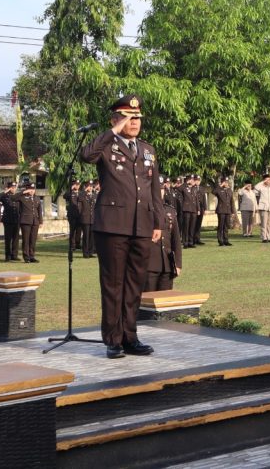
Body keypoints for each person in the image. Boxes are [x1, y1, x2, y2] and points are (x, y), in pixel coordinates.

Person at [80, 94, 164, 359]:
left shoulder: (148, 150)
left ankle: (130, 336)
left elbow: (155, 190)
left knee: (135, 284)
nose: (135, 122)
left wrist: (158, 221)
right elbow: (86, 155)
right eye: (129, 117)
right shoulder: (106, 146)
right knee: (113, 284)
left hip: (142, 225)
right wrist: (112, 132)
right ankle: (113, 339)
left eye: (137, 117)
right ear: (115, 120)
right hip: (113, 226)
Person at [145, 180, 181, 291]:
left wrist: (178, 264)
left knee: (166, 300)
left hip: (167, 264)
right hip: (150, 264)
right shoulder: (144, 210)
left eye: (161, 189)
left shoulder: (170, 211)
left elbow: (176, 240)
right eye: (156, 189)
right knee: (148, 300)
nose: (159, 192)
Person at [15, 182, 42, 263]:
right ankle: (26, 257)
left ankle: (32, 256)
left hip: (35, 222)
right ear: (27, 190)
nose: (32, 191)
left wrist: (40, 221)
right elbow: (13, 198)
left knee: (33, 240)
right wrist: (23, 192)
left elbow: (39, 210)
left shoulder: (37, 198)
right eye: (30, 189)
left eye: (33, 189)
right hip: (25, 221)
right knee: (26, 240)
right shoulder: (22, 197)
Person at [0, 182, 21, 262]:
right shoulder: (5, 196)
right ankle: (7, 256)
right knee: (8, 239)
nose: (13, 189)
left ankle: (14, 255)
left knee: (16, 238)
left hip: (17, 219)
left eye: (14, 187)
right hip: (8, 220)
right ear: (8, 188)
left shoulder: (18, 196)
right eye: (12, 187)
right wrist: (5, 191)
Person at [212, 177, 234, 246]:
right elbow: (213, 192)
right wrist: (220, 186)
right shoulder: (219, 190)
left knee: (226, 226)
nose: (226, 183)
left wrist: (232, 211)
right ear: (222, 182)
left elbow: (231, 201)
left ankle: (226, 240)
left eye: (227, 182)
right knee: (221, 226)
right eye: (225, 182)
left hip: (228, 210)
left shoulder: (229, 190)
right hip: (221, 210)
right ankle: (220, 241)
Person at [255, 175, 270, 243]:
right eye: (266, 180)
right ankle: (264, 237)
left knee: (269, 224)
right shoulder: (261, 187)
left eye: (269, 180)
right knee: (264, 223)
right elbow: (256, 187)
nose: (268, 181)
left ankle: (269, 237)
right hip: (263, 207)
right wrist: (263, 181)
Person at [78, 180, 96, 258]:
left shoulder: (94, 195)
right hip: (85, 219)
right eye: (89, 186)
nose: (91, 187)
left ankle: (90, 252)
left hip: (93, 219)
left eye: (91, 186)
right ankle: (85, 253)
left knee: (92, 237)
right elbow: (79, 198)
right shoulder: (82, 195)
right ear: (86, 187)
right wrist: (85, 191)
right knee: (86, 236)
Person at [179, 175, 197, 249]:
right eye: (192, 179)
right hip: (186, 209)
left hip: (193, 209)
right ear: (189, 180)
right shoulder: (184, 187)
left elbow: (196, 200)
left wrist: (197, 209)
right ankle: (185, 242)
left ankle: (190, 242)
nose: (193, 181)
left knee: (192, 227)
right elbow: (179, 189)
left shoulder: (194, 188)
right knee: (186, 227)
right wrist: (186, 183)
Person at [66, 180, 83, 251]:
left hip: (80, 214)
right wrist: (71, 188)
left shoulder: (81, 193)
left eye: (78, 185)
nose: (77, 186)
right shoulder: (70, 193)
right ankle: (72, 246)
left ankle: (77, 244)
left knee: (79, 231)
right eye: (76, 184)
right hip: (72, 215)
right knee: (72, 231)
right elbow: (65, 196)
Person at [193, 174, 207, 246]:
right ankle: (192, 239)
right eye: (196, 180)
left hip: (201, 208)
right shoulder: (192, 188)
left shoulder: (202, 188)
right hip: (194, 208)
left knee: (198, 224)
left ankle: (197, 239)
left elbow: (204, 199)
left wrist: (205, 208)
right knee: (193, 224)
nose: (197, 182)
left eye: (198, 180)